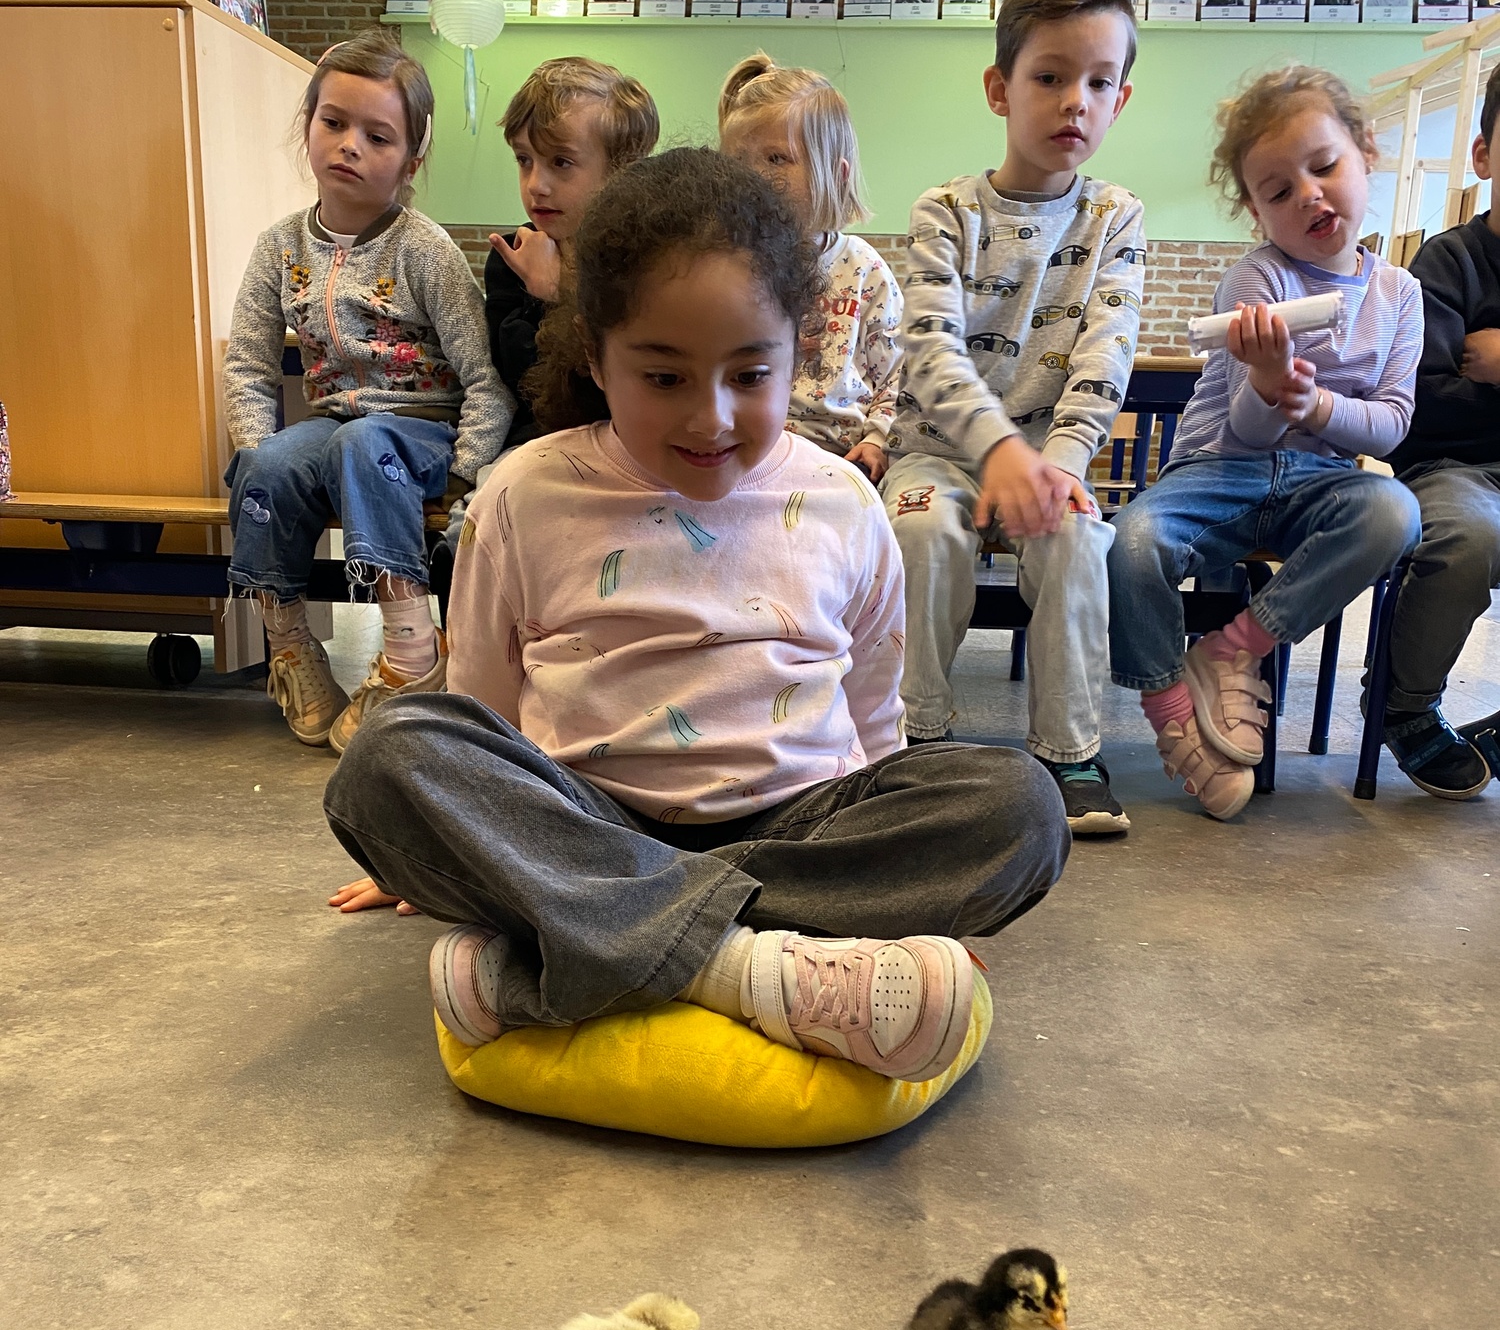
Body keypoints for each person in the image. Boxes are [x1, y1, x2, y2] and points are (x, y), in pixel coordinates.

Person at [325, 149, 1069, 1082]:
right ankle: (758, 967)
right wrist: (449, 834)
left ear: (797, 349)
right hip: (593, 823)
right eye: (665, 378)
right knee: (387, 760)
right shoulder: (521, 494)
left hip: (800, 828)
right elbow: (481, 711)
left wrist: (900, 871)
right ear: (596, 356)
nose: (711, 418)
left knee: (1022, 806)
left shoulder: (843, 500)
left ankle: (581, 948)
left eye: (750, 375)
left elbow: (876, 716)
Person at [1108, 66, 1423, 820]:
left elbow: (1392, 424)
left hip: (1321, 485)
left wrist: (1315, 405)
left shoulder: (1399, 293)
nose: (1309, 195)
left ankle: (1234, 649)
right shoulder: (1257, 281)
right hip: (1219, 471)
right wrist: (1271, 382)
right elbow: (1247, 432)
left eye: (1325, 167)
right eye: (1279, 191)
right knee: (1131, 542)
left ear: (1366, 154)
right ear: (1256, 212)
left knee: (1395, 512)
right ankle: (1172, 712)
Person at [880, 0, 1145, 837]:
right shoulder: (946, 210)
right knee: (921, 532)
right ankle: (914, 741)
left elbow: (1105, 353)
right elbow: (929, 346)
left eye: (1099, 83)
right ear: (1000, 89)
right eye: (1050, 76)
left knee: (1080, 539)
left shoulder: (1115, 217)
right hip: (938, 454)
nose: (1076, 101)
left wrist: (1059, 463)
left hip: (1049, 459)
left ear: (1120, 100)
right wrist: (997, 452)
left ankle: (1070, 753)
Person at [223, 31, 513, 752]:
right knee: (265, 465)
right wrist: (262, 450)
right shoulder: (279, 247)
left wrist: (464, 471)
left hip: (422, 431)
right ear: (308, 127)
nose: (350, 145)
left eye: (378, 137)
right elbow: (249, 367)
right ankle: (290, 647)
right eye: (334, 123)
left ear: (411, 160)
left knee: (362, 443)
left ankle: (412, 652)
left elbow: (485, 378)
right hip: (334, 430)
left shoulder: (426, 250)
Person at [1382, 64, 1500, 797]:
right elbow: (1422, 406)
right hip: (1451, 468)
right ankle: (1408, 708)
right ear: (1484, 156)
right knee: (1469, 539)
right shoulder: (1447, 262)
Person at [718, 53, 901, 483]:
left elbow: (898, 373)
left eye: (776, 159)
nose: (754, 178)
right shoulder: (722, 266)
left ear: (836, 176)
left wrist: (878, 438)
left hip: (841, 457)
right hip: (746, 452)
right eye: (738, 162)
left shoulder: (863, 269)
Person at [482, 59, 659, 456]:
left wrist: (559, 291)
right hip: (538, 446)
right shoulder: (511, 257)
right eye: (524, 160)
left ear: (621, 170)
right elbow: (520, 384)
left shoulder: (646, 261)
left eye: (561, 162)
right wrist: (539, 298)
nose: (536, 185)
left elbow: (623, 388)